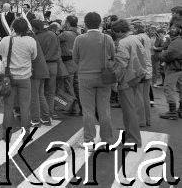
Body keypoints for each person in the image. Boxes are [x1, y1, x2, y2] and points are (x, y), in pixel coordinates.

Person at [72, 12, 115, 148]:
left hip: (85, 77)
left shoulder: (79, 39)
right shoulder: (107, 38)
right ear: (100, 23)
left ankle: (89, 140)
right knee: (104, 109)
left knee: (88, 110)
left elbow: (75, 58)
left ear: (85, 24)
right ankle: (106, 139)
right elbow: (113, 56)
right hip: (104, 77)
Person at [0, 18, 37, 142]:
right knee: (25, 106)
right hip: (24, 77)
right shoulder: (31, 41)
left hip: (8, 78)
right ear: (26, 29)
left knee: (8, 107)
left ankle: (6, 135)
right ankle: (26, 135)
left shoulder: (6, 40)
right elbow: (34, 56)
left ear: (13, 28)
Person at [111, 19, 147, 146]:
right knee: (132, 108)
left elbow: (121, 63)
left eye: (115, 32)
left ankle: (133, 139)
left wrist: (115, 80)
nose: (114, 34)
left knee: (128, 110)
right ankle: (130, 136)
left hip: (126, 79)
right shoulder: (136, 39)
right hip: (135, 76)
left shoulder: (123, 43)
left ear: (120, 31)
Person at [31, 19, 61, 120]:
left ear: (35, 28)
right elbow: (57, 50)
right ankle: (50, 113)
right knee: (51, 92)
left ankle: (42, 114)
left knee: (40, 92)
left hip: (40, 66)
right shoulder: (53, 35)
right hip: (53, 65)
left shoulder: (35, 37)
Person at [58, 15, 81, 116]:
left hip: (67, 62)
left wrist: (61, 28)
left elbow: (55, 39)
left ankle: (74, 108)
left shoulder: (65, 34)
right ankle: (81, 107)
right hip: (77, 62)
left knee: (69, 86)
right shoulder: (79, 33)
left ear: (67, 23)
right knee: (77, 86)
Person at [159, 25, 182, 120]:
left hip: (174, 67)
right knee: (181, 87)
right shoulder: (178, 40)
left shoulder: (176, 42)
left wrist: (162, 55)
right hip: (179, 67)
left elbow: (170, 55)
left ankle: (172, 112)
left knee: (168, 88)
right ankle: (181, 110)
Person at [132, 22, 153, 126]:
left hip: (141, 69)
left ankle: (140, 121)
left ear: (136, 29)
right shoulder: (147, 37)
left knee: (138, 97)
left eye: (132, 28)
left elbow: (137, 55)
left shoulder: (137, 38)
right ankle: (147, 120)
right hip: (148, 69)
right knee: (145, 97)